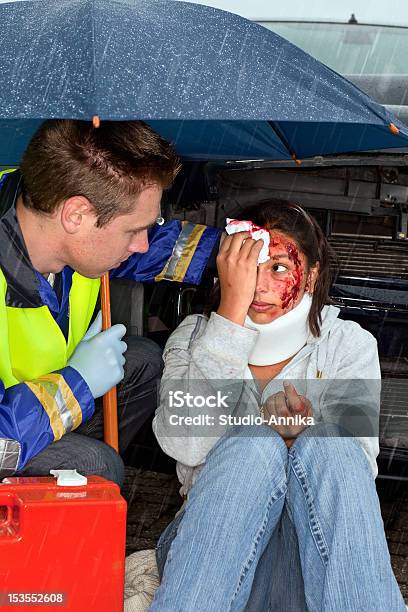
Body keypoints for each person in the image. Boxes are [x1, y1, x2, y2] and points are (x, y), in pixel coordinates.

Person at [150, 200, 406, 611]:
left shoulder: (349, 344)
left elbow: (357, 469)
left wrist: (301, 436)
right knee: (254, 447)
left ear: (313, 274)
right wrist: (229, 318)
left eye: (279, 267)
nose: (260, 286)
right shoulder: (195, 336)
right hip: (210, 555)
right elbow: (186, 444)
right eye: (247, 267)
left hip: (315, 558)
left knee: (331, 444)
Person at [0, 119, 220, 487]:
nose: (142, 244)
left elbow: (151, 251)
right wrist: (77, 383)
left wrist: (227, 249)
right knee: (94, 468)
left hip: (35, 404)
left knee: (144, 362)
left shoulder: (48, 206)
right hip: (8, 436)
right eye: (133, 231)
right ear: (76, 215)